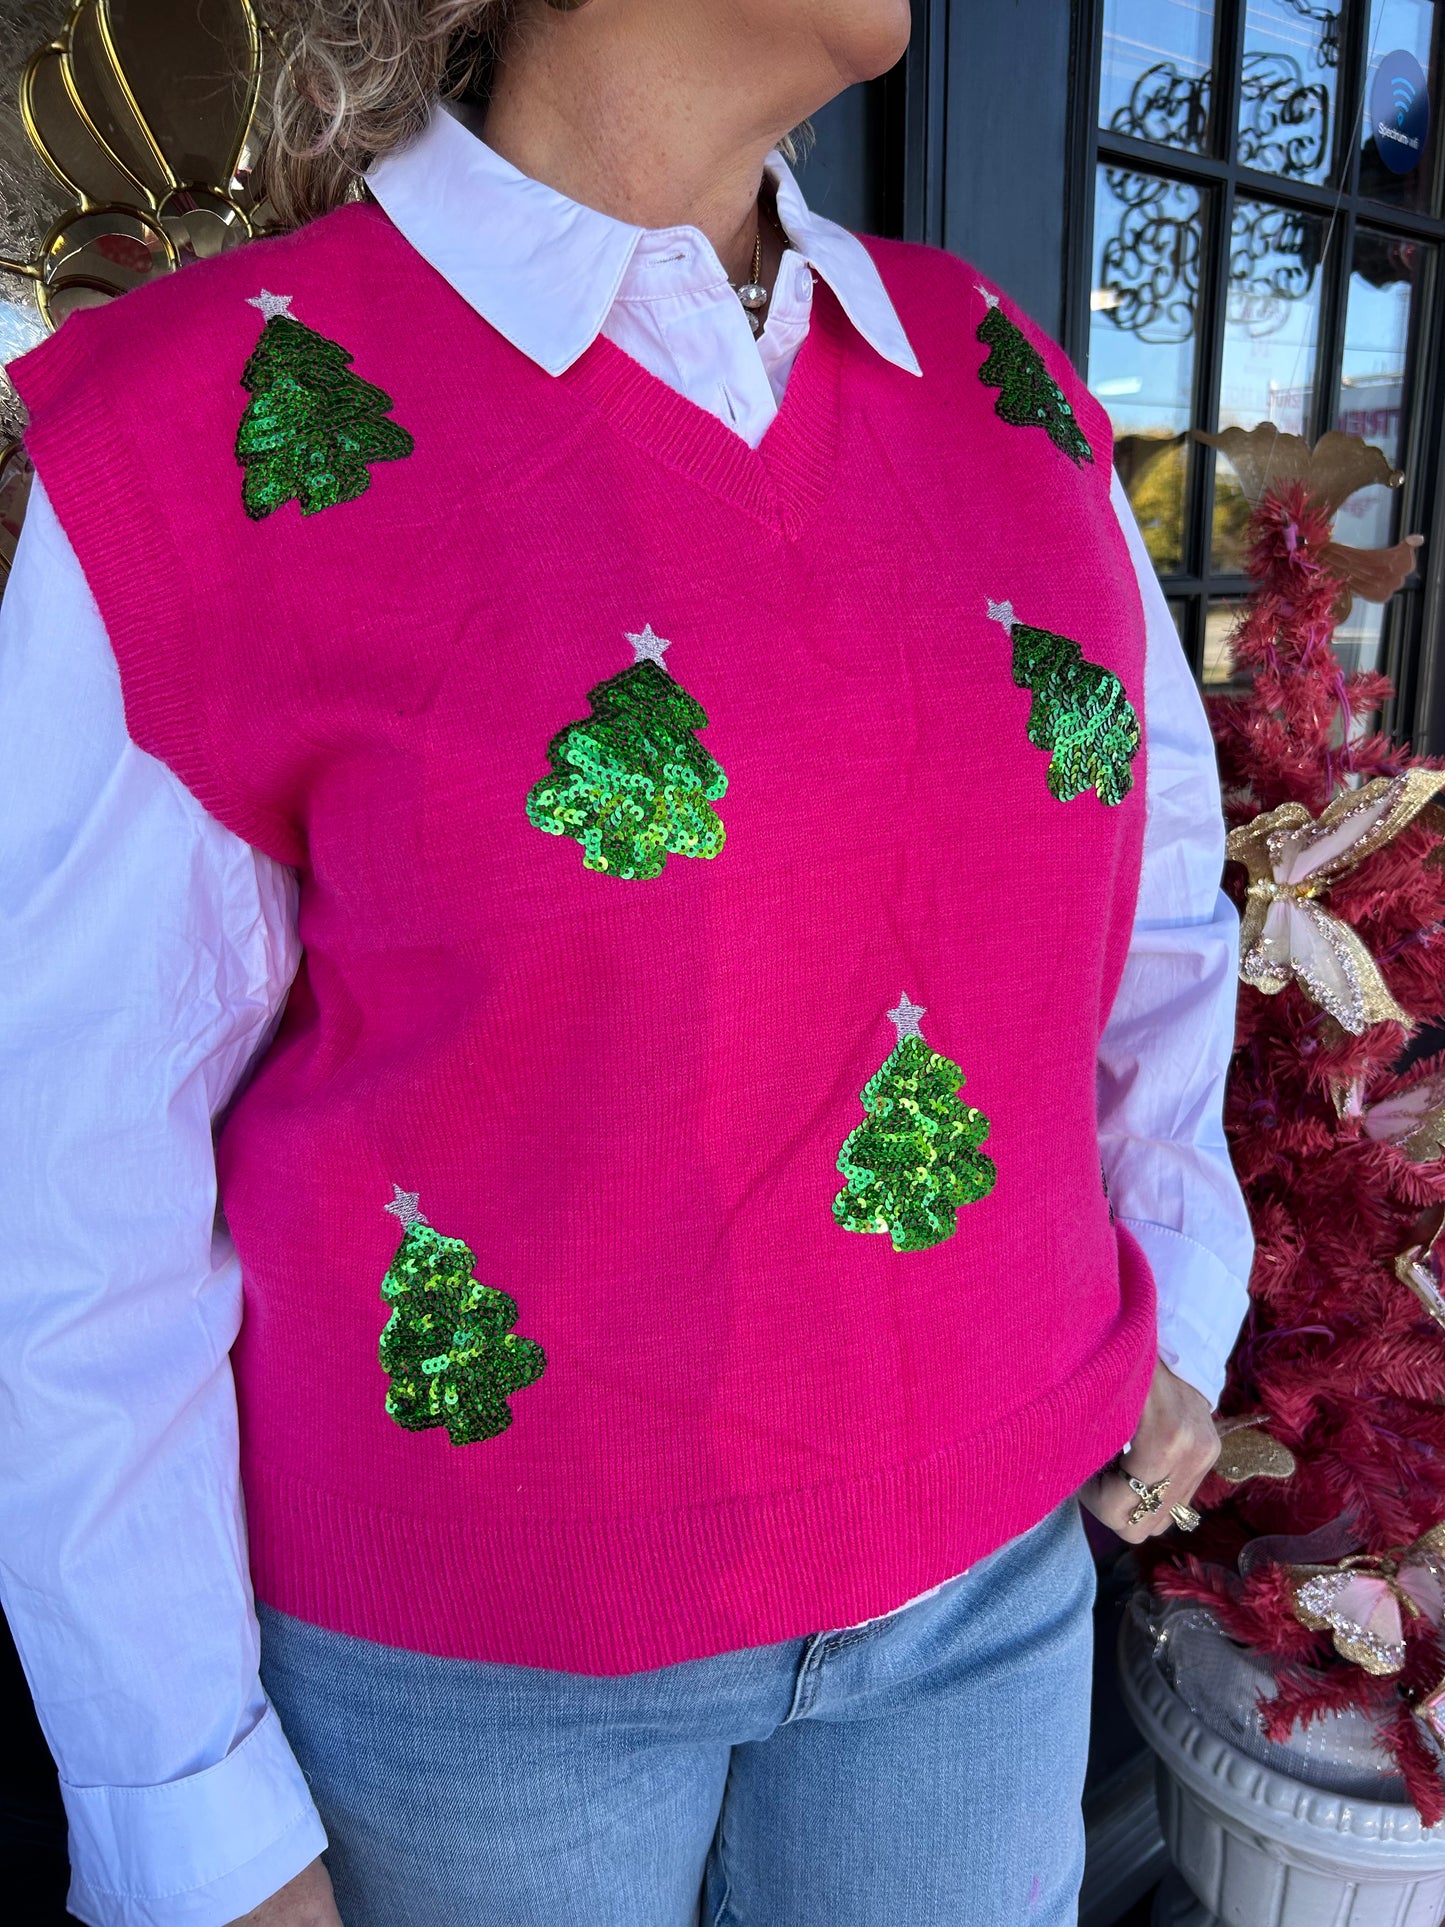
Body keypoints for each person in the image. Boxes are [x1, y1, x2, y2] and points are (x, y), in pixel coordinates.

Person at [0, 2, 1252, 1923]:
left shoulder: (994, 375)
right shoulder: (194, 432)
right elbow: (72, 1168)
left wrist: (1169, 1293)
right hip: (466, 1689)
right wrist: (189, 1816)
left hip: (988, 1608)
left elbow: (1152, 904)